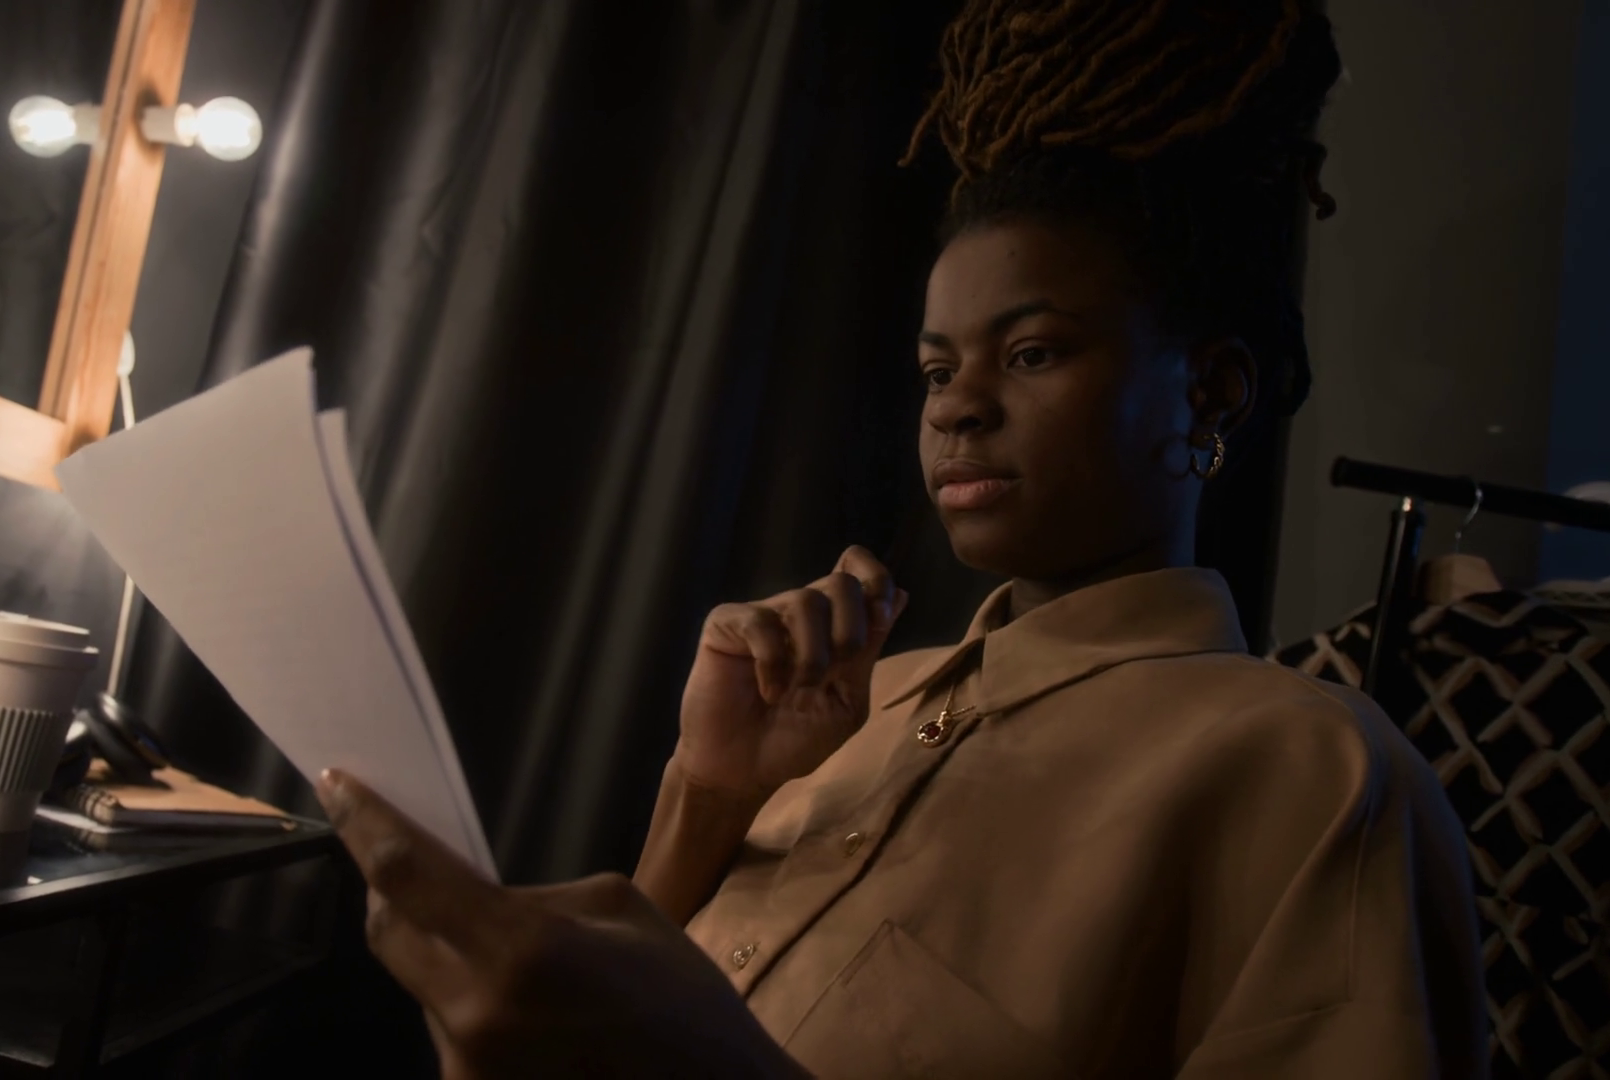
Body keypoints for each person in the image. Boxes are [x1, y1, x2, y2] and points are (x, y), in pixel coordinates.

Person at [313, 1, 1489, 1076]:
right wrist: (710, 795)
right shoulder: (851, 710)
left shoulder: (1311, 770)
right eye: (937, 369)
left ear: (1210, 391)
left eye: (1032, 352)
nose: (957, 405)